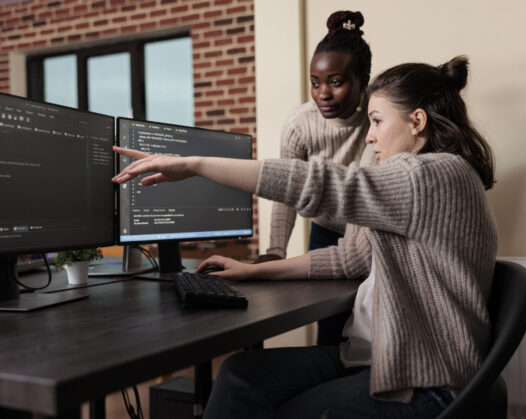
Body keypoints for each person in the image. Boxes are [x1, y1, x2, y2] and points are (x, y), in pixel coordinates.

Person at [112, 55, 498, 419]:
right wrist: (253, 271)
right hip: (371, 358)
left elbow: (319, 183)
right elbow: (353, 258)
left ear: (416, 122)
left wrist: (196, 165)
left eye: (378, 121)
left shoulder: (437, 176)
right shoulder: (418, 184)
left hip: (424, 381)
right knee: (239, 374)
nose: (370, 138)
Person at [258, 10, 374, 345]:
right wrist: (276, 251)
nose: (323, 93)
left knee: (371, 322)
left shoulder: (377, 118)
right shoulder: (300, 124)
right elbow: (286, 191)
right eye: (315, 82)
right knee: (330, 329)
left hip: (369, 235)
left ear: (362, 80)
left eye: (335, 82)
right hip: (325, 233)